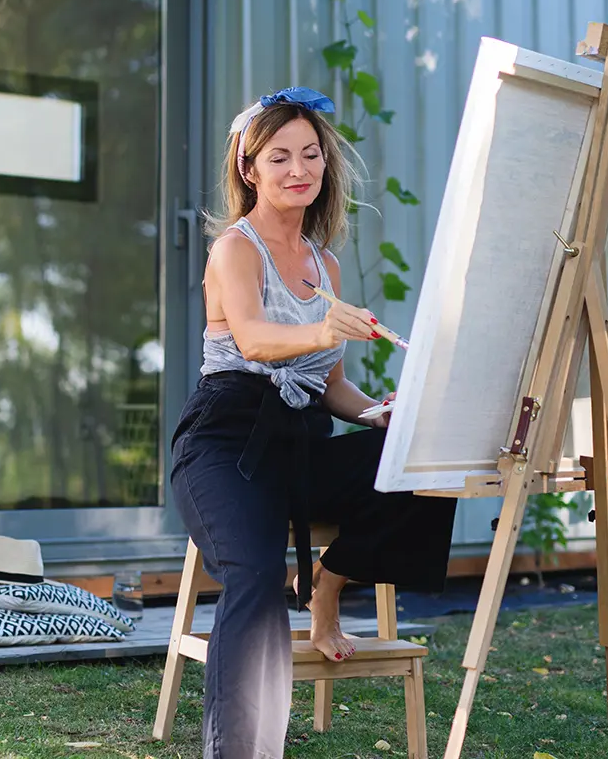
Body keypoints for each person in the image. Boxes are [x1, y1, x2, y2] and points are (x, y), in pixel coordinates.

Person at [168, 86, 458, 759]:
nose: (298, 169)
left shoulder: (324, 262)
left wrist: (379, 413)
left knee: (422, 455)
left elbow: (330, 386)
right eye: (279, 158)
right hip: (226, 443)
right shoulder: (234, 249)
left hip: (300, 441)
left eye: (310, 154)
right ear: (249, 170)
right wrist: (325, 328)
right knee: (255, 577)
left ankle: (330, 578)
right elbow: (253, 339)